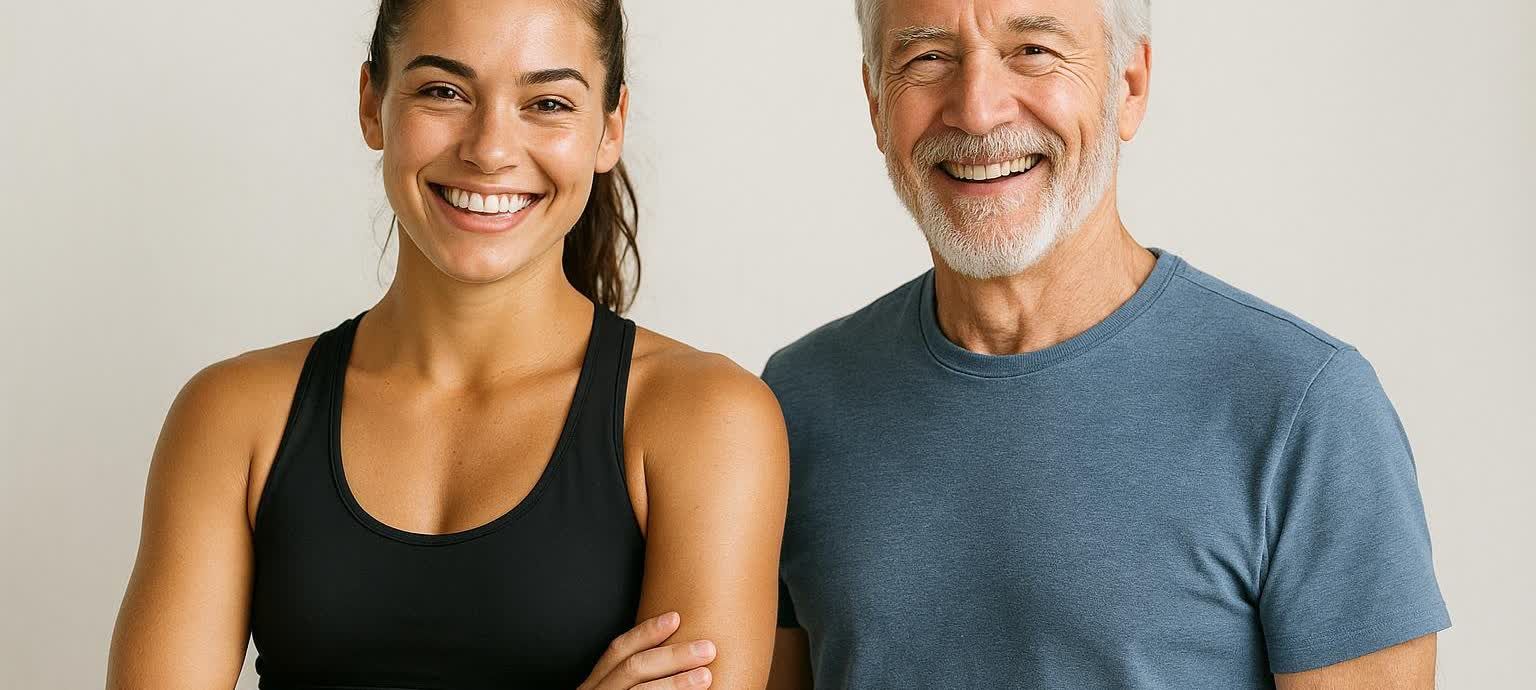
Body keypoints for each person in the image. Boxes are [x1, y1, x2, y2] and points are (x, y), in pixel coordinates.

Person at [764, 0, 1450, 687]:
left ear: (1129, 85)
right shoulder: (794, 404)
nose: (976, 110)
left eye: (1033, 49)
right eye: (927, 59)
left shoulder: (1304, 406)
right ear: (877, 105)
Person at [106, 1, 787, 688]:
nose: (490, 149)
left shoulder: (706, 419)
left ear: (609, 128)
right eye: (443, 92)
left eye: (547, 102)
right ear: (373, 104)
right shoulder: (232, 417)